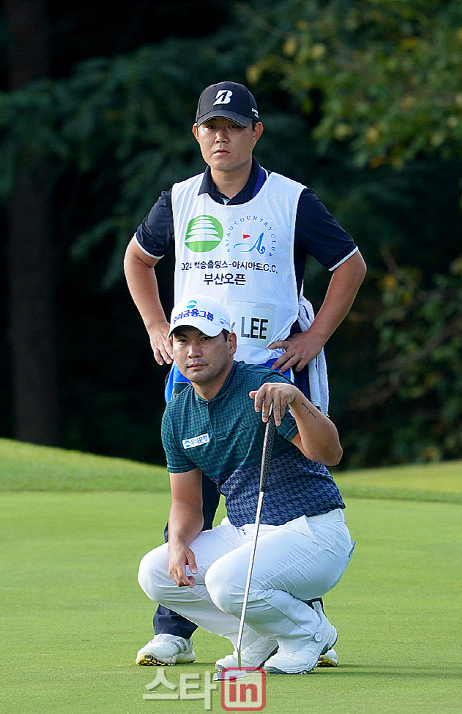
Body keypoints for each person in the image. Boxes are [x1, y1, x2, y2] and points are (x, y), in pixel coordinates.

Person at [125, 80, 366, 666]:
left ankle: (302, 622)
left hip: (274, 368)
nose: (221, 137)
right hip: (196, 364)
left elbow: (350, 266)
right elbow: (138, 259)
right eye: (211, 127)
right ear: (197, 134)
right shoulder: (178, 200)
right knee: (193, 499)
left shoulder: (291, 200)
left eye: (234, 127)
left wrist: (313, 338)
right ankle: (175, 629)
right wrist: (158, 329)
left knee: (289, 498)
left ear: (255, 133)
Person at [138, 297, 355, 674]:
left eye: (205, 339)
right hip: (246, 532)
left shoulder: (262, 388)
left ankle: (308, 632)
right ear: (171, 348)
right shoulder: (178, 414)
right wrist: (176, 544)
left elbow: (330, 453)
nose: (193, 351)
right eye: (182, 341)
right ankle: (259, 636)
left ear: (231, 343)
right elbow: (187, 504)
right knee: (155, 570)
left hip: (313, 531)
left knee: (225, 581)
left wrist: (298, 399)